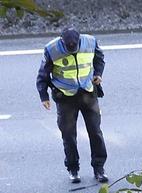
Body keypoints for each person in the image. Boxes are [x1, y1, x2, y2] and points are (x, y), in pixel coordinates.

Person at [35, 28, 107, 184]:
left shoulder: (90, 42)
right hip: (65, 96)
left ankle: (99, 168)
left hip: (88, 92)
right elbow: (43, 74)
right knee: (68, 136)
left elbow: (99, 59)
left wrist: (98, 74)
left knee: (95, 132)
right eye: (69, 48)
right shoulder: (52, 49)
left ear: (80, 40)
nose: (72, 50)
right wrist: (44, 96)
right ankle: (73, 170)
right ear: (62, 41)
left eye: (74, 47)